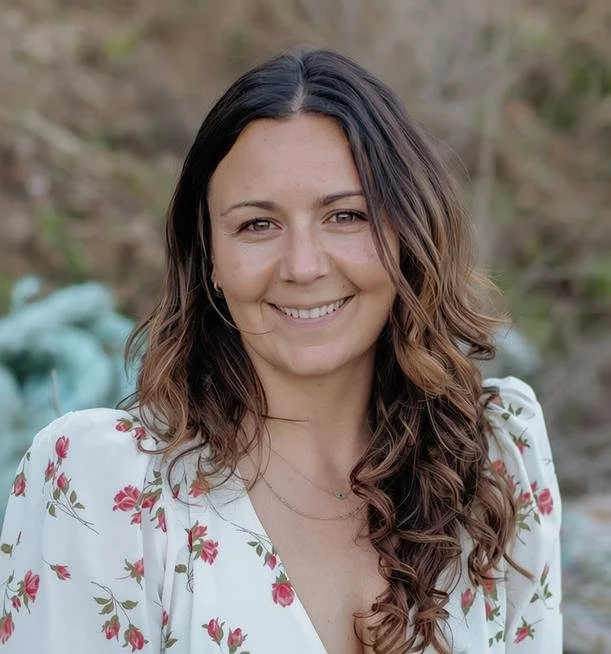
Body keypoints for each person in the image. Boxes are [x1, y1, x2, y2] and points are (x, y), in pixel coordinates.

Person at [0, 47, 561, 653]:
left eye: (346, 216)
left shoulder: (496, 459)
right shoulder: (109, 489)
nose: (301, 266)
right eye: (257, 225)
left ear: (409, 234)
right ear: (209, 257)